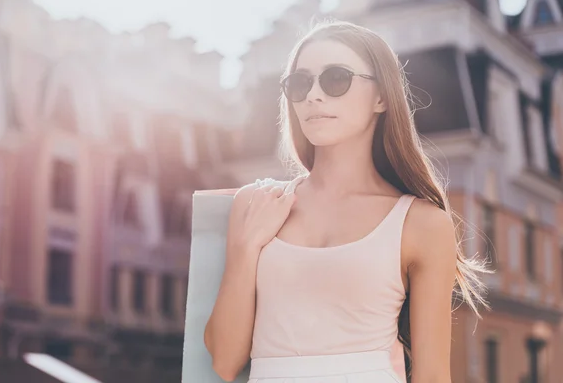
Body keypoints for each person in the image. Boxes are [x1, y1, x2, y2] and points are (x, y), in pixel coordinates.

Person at [203, 20, 488, 383]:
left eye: (336, 79)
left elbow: (432, 375)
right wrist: (246, 248)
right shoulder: (255, 203)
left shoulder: (422, 223)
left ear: (381, 97)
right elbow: (224, 361)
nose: (313, 96)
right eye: (300, 83)